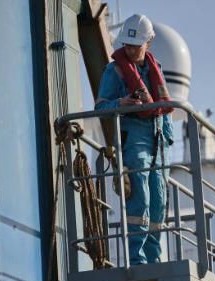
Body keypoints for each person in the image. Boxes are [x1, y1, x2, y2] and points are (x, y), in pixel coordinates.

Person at [95, 14, 174, 265]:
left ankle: (154, 259)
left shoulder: (155, 68)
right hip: (134, 139)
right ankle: (136, 259)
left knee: (159, 202)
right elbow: (99, 107)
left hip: (159, 140)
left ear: (148, 42)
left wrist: (168, 137)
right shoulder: (114, 70)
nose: (130, 50)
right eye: (127, 45)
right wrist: (121, 103)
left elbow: (164, 107)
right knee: (140, 196)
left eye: (135, 45)